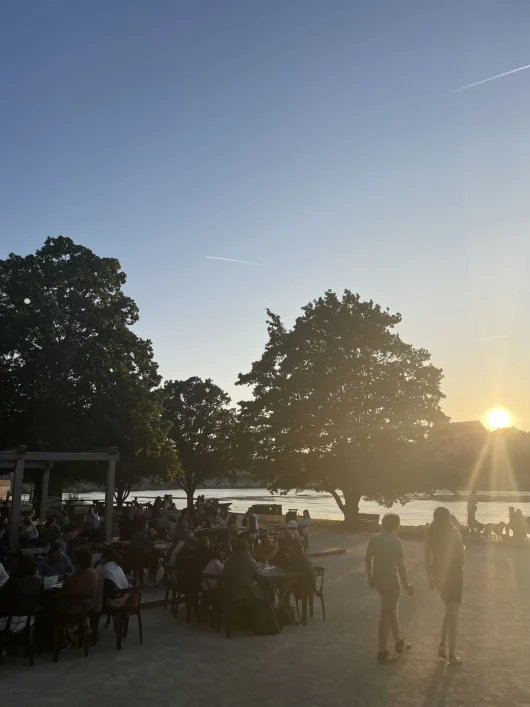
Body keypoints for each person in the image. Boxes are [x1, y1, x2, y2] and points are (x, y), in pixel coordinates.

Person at [365, 513, 414, 662]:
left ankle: (399, 642)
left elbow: (368, 559)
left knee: (391, 610)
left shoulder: (374, 538)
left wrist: (370, 578)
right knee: (386, 615)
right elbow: (400, 565)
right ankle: (382, 652)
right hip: (391, 581)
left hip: (379, 579)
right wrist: (407, 584)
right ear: (397, 525)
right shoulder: (396, 541)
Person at [425, 507, 465, 666]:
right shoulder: (454, 532)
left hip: (438, 573)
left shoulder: (429, 532)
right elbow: (462, 559)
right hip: (454, 573)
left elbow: (427, 557)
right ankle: (452, 654)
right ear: (449, 518)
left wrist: (429, 578)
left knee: (450, 610)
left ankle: (442, 645)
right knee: (453, 613)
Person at [0, 554, 42, 634]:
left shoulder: (12, 582)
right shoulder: (38, 581)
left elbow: (2, 601)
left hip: (9, 621)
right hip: (29, 619)